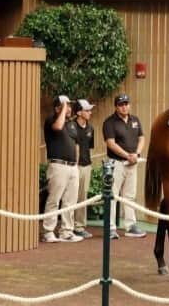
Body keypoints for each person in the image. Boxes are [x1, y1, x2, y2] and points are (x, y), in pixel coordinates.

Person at [102, 93, 147, 239]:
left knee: (130, 196)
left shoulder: (135, 120)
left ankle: (130, 226)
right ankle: (110, 228)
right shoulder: (109, 122)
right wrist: (127, 155)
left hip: (132, 163)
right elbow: (111, 143)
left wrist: (137, 154)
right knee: (112, 196)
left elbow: (141, 137)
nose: (124, 107)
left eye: (126, 103)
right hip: (116, 163)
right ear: (116, 106)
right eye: (121, 104)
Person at [42, 95, 84, 243]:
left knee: (70, 201)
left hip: (72, 167)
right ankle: (48, 231)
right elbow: (58, 127)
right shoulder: (52, 120)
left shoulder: (71, 124)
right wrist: (63, 110)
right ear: (57, 108)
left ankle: (66, 231)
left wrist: (76, 165)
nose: (69, 108)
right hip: (58, 165)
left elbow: (75, 145)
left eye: (70, 106)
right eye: (66, 105)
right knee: (54, 199)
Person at [71, 99, 95, 239]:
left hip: (86, 166)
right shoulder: (71, 127)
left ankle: (79, 226)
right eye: (87, 110)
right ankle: (68, 227)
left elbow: (89, 148)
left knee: (82, 197)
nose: (90, 112)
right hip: (74, 166)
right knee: (71, 197)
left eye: (90, 110)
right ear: (79, 112)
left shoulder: (91, 128)